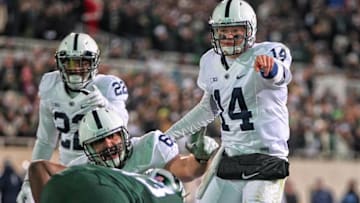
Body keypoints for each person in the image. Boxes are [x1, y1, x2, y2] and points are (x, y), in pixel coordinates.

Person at [165, 0, 292, 202]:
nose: (229, 37)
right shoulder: (209, 61)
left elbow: (282, 75)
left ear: (250, 30)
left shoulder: (269, 52)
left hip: (267, 157)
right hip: (231, 155)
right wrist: (169, 136)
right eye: (223, 31)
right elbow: (208, 108)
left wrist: (271, 70)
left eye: (236, 30)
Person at [17, 32, 129, 203]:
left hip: (103, 169)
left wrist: (105, 105)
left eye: (82, 62)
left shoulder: (105, 86)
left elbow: (124, 125)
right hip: (67, 169)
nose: (76, 68)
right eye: (70, 62)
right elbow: (46, 141)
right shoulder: (51, 86)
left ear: (94, 63)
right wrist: (27, 183)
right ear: (61, 63)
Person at [28, 107, 219, 202]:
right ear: (88, 149)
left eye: (113, 137)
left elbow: (186, 170)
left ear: (124, 134)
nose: (108, 144)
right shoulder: (82, 168)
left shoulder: (151, 145)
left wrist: (200, 159)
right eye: (99, 142)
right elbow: (39, 168)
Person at [30, 164, 184, 203]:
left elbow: (38, 167)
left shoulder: (128, 178)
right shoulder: (173, 198)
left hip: (63, 182)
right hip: (109, 194)